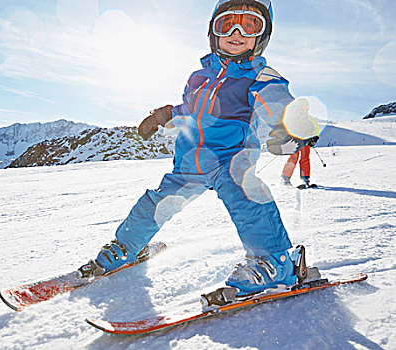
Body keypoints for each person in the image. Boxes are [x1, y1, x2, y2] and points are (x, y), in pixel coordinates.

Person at [79, 0, 320, 295]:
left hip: (229, 162)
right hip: (188, 165)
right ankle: (129, 246)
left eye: (249, 25)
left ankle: (276, 263)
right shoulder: (199, 76)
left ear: (262, 36)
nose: (236, 31)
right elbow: (188, 109)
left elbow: (278, 101)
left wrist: (292, 124)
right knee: (154, 204)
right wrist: (161, 116)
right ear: (213, 31)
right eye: (226, 23)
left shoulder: (259, 76)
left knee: (249, 199)